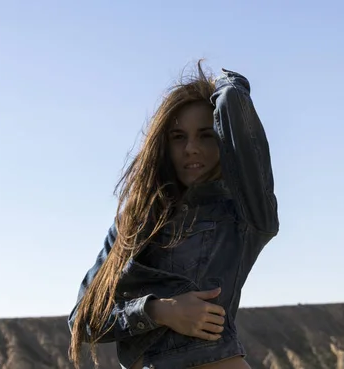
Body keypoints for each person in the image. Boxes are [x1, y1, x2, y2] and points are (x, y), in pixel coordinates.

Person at [67, 61, 279, 369]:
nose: (191, 148)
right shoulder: (133, 222)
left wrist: (226, 88)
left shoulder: (243, 214)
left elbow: (248, 145)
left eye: (206, 135)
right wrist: (158, 311)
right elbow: (83, 320)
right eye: (178, 137)